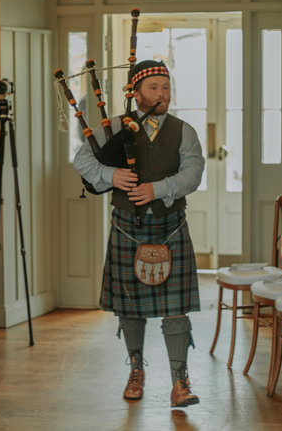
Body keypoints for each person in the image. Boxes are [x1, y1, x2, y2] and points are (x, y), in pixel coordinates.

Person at [74, 60, 205, 408]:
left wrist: (157, 189)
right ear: (135, 92)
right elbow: (83, 161)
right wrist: (111, 176)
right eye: (154, 87)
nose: (162, 94)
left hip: (170, 226)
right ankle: (136, 370)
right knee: (130, 307)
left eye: (166, 87)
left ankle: (180, 382)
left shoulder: (183, 131)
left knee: (176, 309)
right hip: (127, 228)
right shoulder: (114, 127)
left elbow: (193, 173)